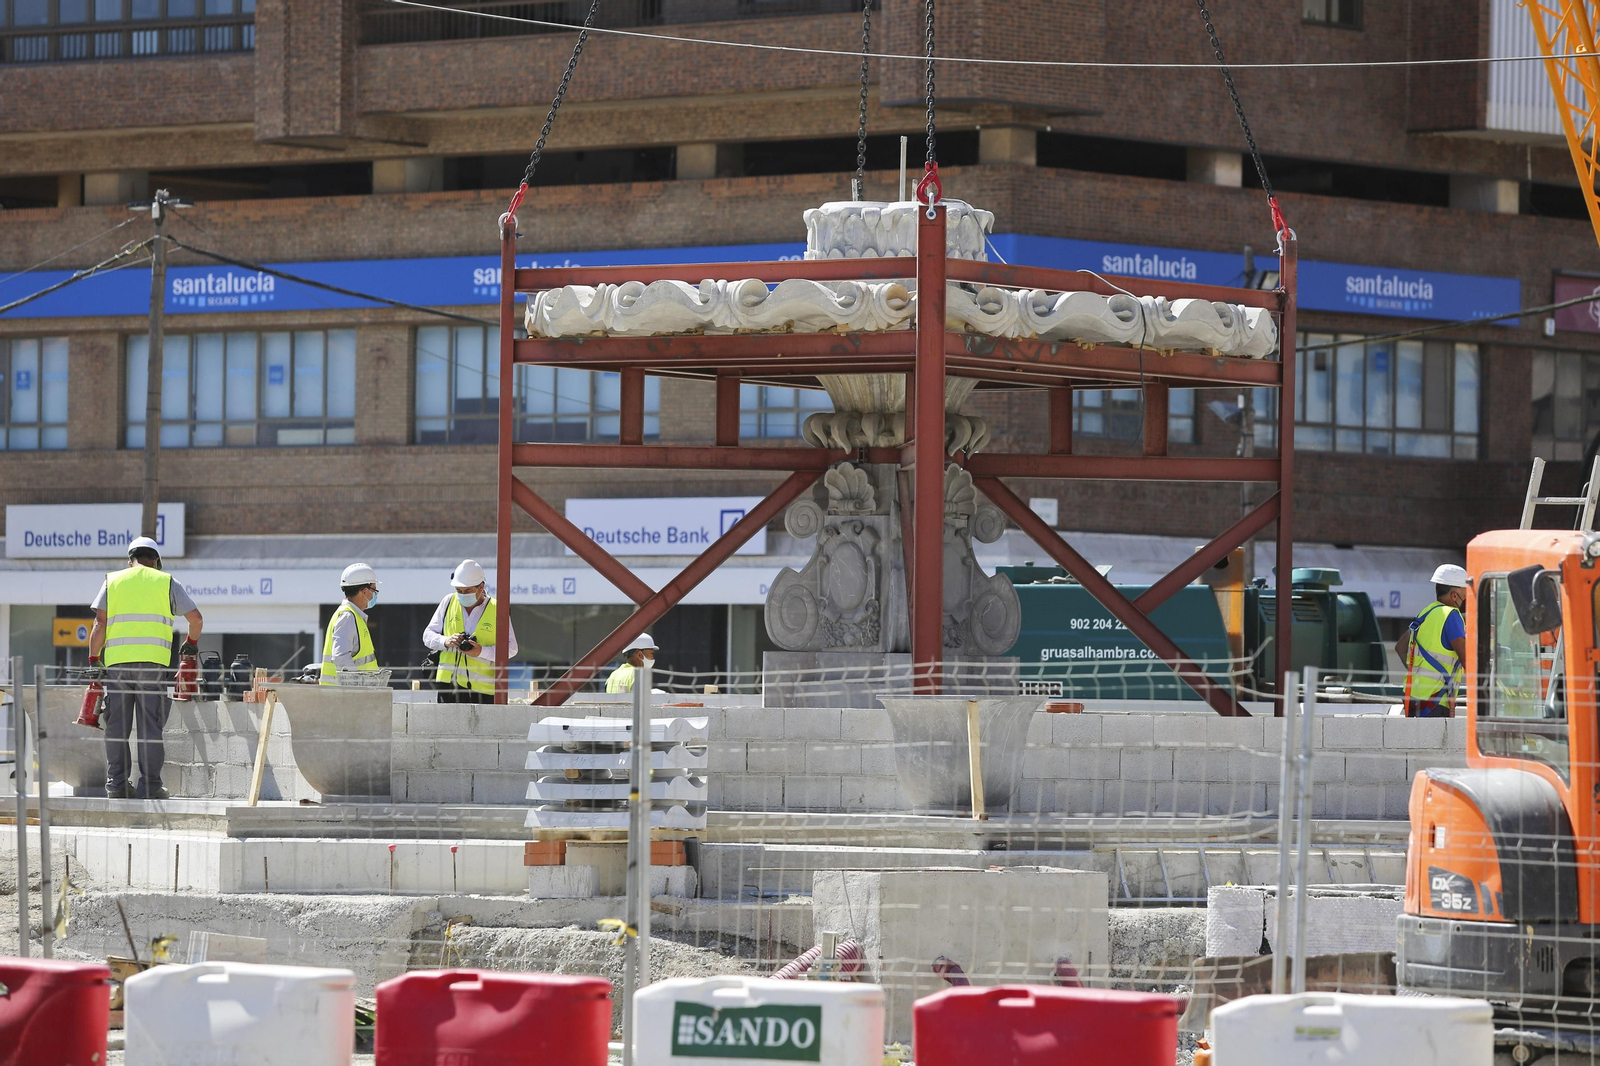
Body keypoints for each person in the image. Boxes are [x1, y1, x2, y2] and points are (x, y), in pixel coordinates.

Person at [86, 536, 202, 800]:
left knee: (116, 727)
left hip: (116, 667)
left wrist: (94, 660)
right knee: (150, 727)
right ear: (156, 560)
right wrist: (190, 643)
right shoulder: (166, 582)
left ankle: (116, 785)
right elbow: (196, 619)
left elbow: (99, 625)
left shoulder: (113, 581)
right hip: (152, 666)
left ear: (130, 560)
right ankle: (149, 786)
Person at [424, 559, 518, 703]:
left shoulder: (497, 608)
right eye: (459, 590)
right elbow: (427, 635)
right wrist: (446, 640)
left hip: (483, 690)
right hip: (448, 686)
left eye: (467, 591)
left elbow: (512, 648)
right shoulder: (449, 601)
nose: (462, 594)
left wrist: (481, 651)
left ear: (481, 587)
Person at [1397, 563, 1469, 718]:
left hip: (1413, 698)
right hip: (1436, 701)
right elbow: (1467, 661)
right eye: (1465, 596)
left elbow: (1400, 647)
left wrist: (1420, 672)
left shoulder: (1426, 612)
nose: (1465, 601)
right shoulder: (1452, 615)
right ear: (1454, 596)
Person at [320, 563, 381, 685]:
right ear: (364, 591)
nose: (375, 594)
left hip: (348, 696)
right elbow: (340, 657)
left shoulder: (353, 615)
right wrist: (355, 686)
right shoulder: (347, 616)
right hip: (345, 697)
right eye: (374, 590)